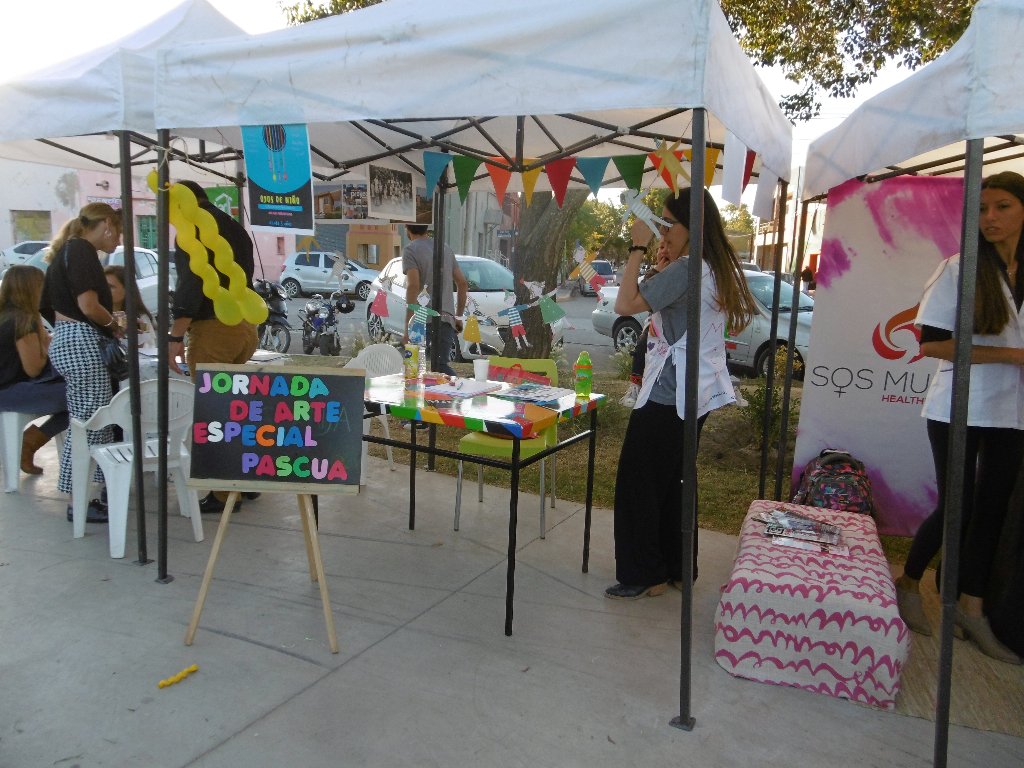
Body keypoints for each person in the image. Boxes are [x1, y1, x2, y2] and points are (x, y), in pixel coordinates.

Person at [895, 171, 1024, 664]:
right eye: (983, 208)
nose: (990, 218)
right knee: (958, 507)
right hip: (957, 405)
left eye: (1003, 206)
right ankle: (909, 581)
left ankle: (971, 608)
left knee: (992, 509)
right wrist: (1012, 356)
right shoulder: (960, 268)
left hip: (1013, 410)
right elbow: (931, 344)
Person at [606, 188, 757, 599]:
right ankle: (676, 566)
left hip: (667, 393)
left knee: (639, 483)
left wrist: (637, 247)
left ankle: (645, 573)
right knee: (675, 480)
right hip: (696, 391)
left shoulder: (688, 270)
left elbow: (624, 304)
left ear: (693, 227)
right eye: (659, 224)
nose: (662, 232)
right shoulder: (711, 268)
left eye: (668, 223)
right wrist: (660, 266)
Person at [167, 180, 258, 513]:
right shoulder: (232, 225)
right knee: (237, 410)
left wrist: (175, 336)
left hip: (215, 328)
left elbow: (192, 284)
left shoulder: (193, 229)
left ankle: (221, 494)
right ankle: (246, 482)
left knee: (215, 413)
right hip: (245, 325)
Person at [40, 202, 125, 524]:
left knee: (87, 422)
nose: (119, 240)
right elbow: (89, 305)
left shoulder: (67, 251)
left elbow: (45, 305)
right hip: (81, 341)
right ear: (107, 225)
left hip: (68, 338)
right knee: (92, 423)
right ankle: (79, 499)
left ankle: (86, 494)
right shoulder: (81, 251)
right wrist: (113, 325)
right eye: (118, 232)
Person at [0, 265, 69, 475]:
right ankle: (30, 442)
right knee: (86, 397)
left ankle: (30, 442)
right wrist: (46, 345)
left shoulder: (6, 316)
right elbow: (34, 369)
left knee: (82, 398)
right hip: (10, 391)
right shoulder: (24, 321)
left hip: (8, 388)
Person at [401, 224, 468, 376]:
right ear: (426, 228)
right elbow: (462, 283)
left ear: (407, 229)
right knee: (441, 366)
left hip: (421, 319)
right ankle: (457, 387)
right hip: (446, 317)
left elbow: (413, 286)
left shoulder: (410, 250)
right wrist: (458, 317)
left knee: (413, 367)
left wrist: (407, 327)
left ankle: (421, 391)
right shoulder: (445, 248)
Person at [104, 265, 155, 347]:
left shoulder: (141, 316)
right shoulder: (97, 314)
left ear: (127, 289)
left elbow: (149, 344)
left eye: (110, 287)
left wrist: (125, 326)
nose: (105, 290)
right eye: (103, 286)